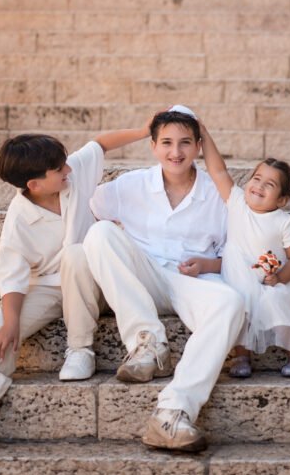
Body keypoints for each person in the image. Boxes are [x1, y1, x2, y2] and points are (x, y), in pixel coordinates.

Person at [0, 123, 149, 454]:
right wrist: (11, 321)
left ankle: (80, 349)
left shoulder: (74, 174)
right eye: (59, 169)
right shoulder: (19, 218)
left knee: (77, 253)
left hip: (96, 280)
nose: (68, 170)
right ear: (34, 185)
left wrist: (146, 129)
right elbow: (12, 277)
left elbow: (100, 144)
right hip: (48, 288)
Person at [83, 106, 245, 453]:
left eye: (186, 142)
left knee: (231, 304)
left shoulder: (217, 192)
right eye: (167, 143)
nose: (176, 152)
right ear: (153, 146)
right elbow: (83, 204)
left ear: (199, 146)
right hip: (144, 277)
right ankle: (148, 343)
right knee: (99, 234)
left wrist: (208, 264)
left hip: (192, 280)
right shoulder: (131, 185)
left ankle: (173, 412)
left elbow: (238, 254)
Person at [199, 120, 290, 379]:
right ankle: (242, 356)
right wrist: (202, 132)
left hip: (273, 281)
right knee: (238, 307)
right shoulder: (237, 203)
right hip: (239, 276)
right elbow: (218, 171)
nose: (259, 185)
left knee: (278, 303)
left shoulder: (283, 221)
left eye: (269, 185)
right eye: (256, 179)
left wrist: (279, 278)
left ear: (281, 199)